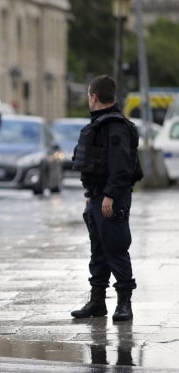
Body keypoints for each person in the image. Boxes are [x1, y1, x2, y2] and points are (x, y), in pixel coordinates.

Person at [71, 74, 142, 321]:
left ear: (94, 96)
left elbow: (121, 167)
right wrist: (91, 195)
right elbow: (94, 164)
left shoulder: (115, 127)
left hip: (112, 199)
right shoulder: (100, 124)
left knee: (116, 250)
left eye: (89, 95)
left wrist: (109, 196)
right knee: (98, 251)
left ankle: (124, 304)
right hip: (97, 197)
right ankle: (97, 302)